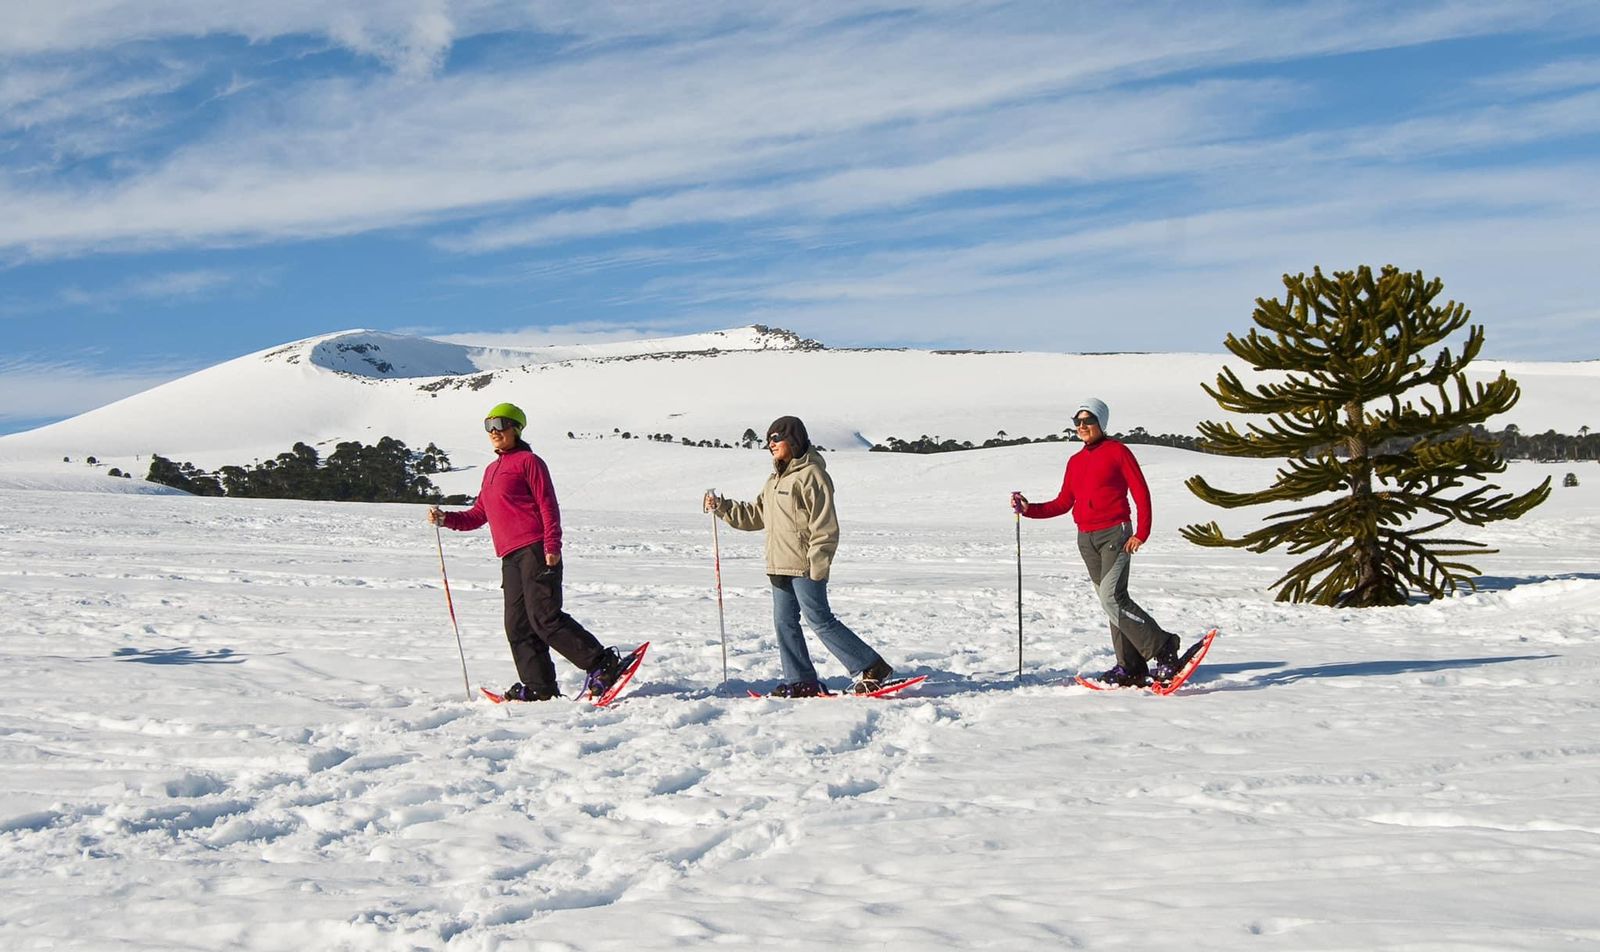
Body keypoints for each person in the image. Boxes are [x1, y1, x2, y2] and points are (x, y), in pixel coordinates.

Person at [428, 402, 622, 701]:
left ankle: (602, 663)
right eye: (488, 425)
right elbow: (479, 514)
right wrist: (446, 519)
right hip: (510, 556)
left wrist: (552, 545)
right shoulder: (492, 471)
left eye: (501, 424)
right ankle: (539, 687)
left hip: (535, 548)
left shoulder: (529, 462)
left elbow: (547, 504)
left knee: (543, 616)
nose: (494, 431)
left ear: (516, 428)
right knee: (517, 624)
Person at [704, 415, 895, 697]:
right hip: (779, 565)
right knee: (784, 623)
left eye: (775, 438)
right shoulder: (774, 481)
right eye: (768, 439)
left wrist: (818, 563)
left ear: (792, 439)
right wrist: (722, 507)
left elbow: (825, 524)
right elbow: (756, 516)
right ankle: (800, 679)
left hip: (805, 564)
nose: (770, 444)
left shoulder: (812, 475)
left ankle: (871, 666)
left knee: (819, 619)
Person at [1011, 398, 1181, 687]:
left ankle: (1164, 647)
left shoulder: (1117, 451)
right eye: (1077, 422)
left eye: (1087, 421)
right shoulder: (1076, 461)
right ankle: (1130, 667)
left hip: (1116, 533)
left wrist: (1142, 532)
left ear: (1101, 423)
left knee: (1112, 598)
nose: (1081, 426)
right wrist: (1029, 510)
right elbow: (1063, 503)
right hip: (1086, 538)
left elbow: (1141, 492)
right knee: (1111, 603)